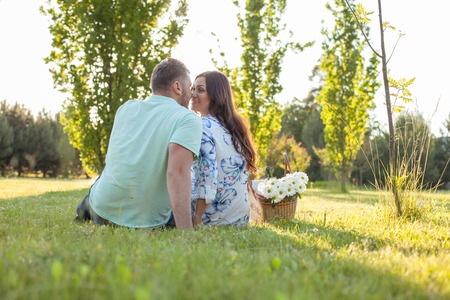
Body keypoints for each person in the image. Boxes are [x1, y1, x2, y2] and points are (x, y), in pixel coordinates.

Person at [75, 58, 203, 230]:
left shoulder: (126, 108)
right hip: (145, 223)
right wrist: (187, 233)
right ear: (177, 87)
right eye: (189, 87)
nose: (191, 93)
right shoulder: (187, 119)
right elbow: (178, 174)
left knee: (100, 182)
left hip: (101, 212)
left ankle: (84, 211)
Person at [189, 70, 258, 226]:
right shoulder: (234, 127)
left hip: (213, 219)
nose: (193, 94)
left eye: (200, 90)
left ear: (215, 96)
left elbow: (207, 176)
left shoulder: (202, 126)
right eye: (192, 89)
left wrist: (197, 219)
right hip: (240, 218)